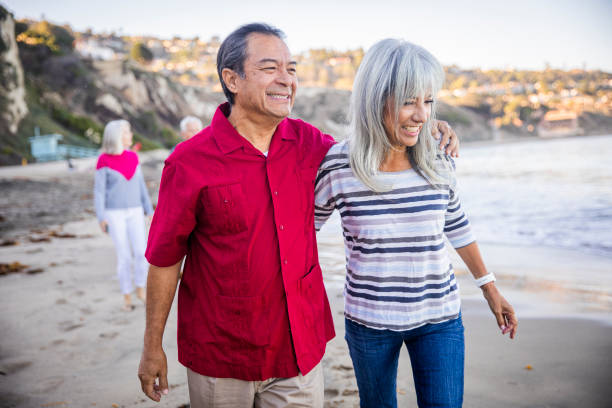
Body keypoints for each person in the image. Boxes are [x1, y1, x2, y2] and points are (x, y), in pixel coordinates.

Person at [137, 24, 460, 407]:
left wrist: (425, 126)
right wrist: (152, 346)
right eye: (270, 68)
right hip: (220, 354)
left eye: (291, 69)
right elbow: (164, 259)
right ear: (231, 79)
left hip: (298, 353)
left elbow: (374, 147)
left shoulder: (313, 146)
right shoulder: (189, 163)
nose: (285, 80)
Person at [314, 39, 518, 408]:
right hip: (369, 322)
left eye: (428, 101)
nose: (423, 115)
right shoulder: (338, 166)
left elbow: (455, 223)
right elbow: (298, 232)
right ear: (376, 99)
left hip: (439, 317)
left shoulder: (439, 155)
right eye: (410, 101)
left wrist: (490, 288)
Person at [94, 120, 154, 311]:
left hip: (136, 211)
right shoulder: (103, 160)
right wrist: (101, 217)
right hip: (114, 214)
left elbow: (142, 187)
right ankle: (126, 296)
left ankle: (140, 289)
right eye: (127, 132)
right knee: (124, 256)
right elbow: (99, 192)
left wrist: (149, 210)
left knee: (141, 253)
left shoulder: (134, 157)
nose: (130, 135)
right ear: (118, 137)